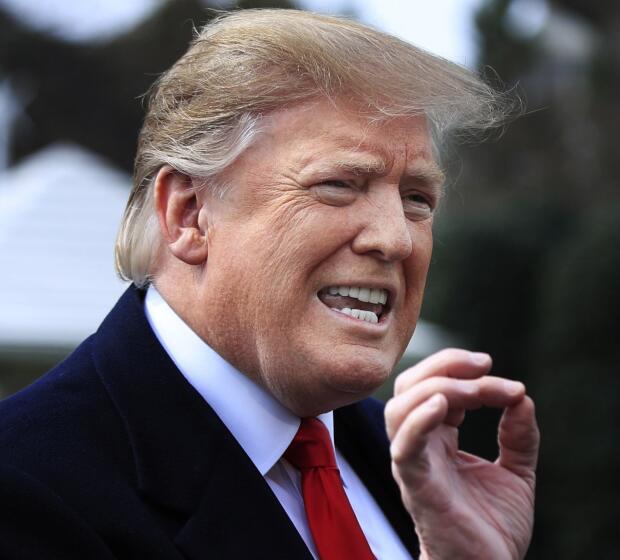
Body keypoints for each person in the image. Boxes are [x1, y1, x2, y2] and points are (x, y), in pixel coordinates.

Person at [0, 9, 539, 559]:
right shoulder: (26, 486)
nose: (395, 239)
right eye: (339, 185)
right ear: (189, 215)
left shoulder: (411, 468)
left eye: (417, 199)